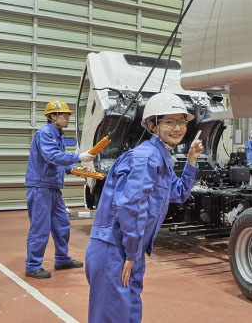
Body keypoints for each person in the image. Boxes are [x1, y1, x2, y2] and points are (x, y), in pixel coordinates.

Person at [85, 92, 204, 323]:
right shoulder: (145, 158)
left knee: (129, 314)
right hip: (115, 248)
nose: (178, 128)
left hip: (131, 248)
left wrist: (191, 160)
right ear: (152, 125)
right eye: (169, 122)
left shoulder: (161, 159)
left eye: (181, 121)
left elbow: (178, 194)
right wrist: (131, 252)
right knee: (112, 316)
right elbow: (131, 207)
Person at [25, 100, 97, 279]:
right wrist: (78, 157)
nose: (67, 118)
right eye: (63, 115)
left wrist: (74, 170)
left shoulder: (57, 135)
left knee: (62, 225)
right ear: (52, 116)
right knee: (40, 227)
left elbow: (56, 163)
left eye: (67, 115)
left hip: (53, 187)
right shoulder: (45, 133)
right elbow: (52, 156)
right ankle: (33, 265)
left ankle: (62, 259)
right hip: (40, 187)